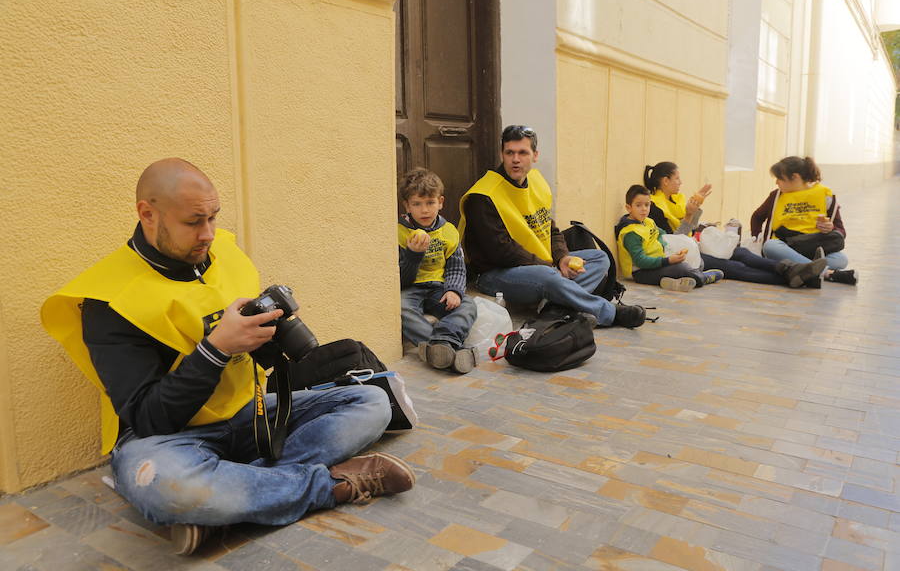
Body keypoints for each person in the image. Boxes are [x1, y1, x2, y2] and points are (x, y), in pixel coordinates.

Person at [41, 158, 415, 555]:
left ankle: (229, 504)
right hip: (169, 441)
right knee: (171, 488)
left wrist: (267, 332)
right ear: (147, 214)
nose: (207, 234)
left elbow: (257, 358)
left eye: (213, 218)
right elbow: (149, 417)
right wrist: (216, 349)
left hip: (246, 414)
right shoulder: (108, 301)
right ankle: (328, 486)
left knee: (372, 402)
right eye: (193, 222)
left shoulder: (223, 253)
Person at [459, 125, 646, 328]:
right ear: (501, 154)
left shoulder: (537, 182)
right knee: (548, 276)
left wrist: (563, 257)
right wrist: (551, 267)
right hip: (494, 274)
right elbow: (501, 253)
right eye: (509, 152)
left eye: (523, 152)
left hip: (539, 265)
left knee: (599, 259)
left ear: (535, 155)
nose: (515, 159)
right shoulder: (483, 196)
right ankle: (608, 312)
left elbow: (550, 229)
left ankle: (554, 310)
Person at [644, 161, 827, 288]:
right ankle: (803, 279)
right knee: (735, 267)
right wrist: (689, 215)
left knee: (741, 253)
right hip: (684, 255)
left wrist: (695, 210)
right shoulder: (655, 207)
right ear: (665, 181)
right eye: (677, 178)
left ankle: (791, 269)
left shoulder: (676, 201)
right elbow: (673, 242)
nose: (680, 182)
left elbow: (690, 230)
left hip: (694, 245)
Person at [398, 168, 478, 373]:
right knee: (401, 309)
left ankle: (442, 344)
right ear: (407, 205)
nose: (424, 210)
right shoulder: (398, 233)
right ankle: (450, 348)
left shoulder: (448, 231)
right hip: (410, 289)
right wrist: (413, 255)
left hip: (439, 288)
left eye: (430, 203)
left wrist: (454, 291)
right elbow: (401, 279)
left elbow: (457, 268)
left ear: (440, 202)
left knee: (468, 305)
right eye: (417, 204)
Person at [750, 156, 857, 285]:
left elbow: (841, 231)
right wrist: (756, 236)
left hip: (813, 248)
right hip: (785, 247)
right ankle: (828, 273)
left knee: (841, 259)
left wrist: (831, 228)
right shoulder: (776, 196)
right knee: (770, 246)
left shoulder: (825, 196)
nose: (776, 182)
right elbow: (757, 216)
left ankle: (806, 269)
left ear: (795, 177)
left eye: (779, 178)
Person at [615, 185, 724, 291]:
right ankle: (704, 278)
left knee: (697, 262)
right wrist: (668, 260)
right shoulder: (631, 233)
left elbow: (665, 236)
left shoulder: (648, 221)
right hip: (641, 272)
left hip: (658, 263)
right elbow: (640, 261)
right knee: (682, 268)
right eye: (638, 205)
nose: (644, 209)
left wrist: (674, 251)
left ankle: (672, 282)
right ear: (629, 208)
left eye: (647, 205)